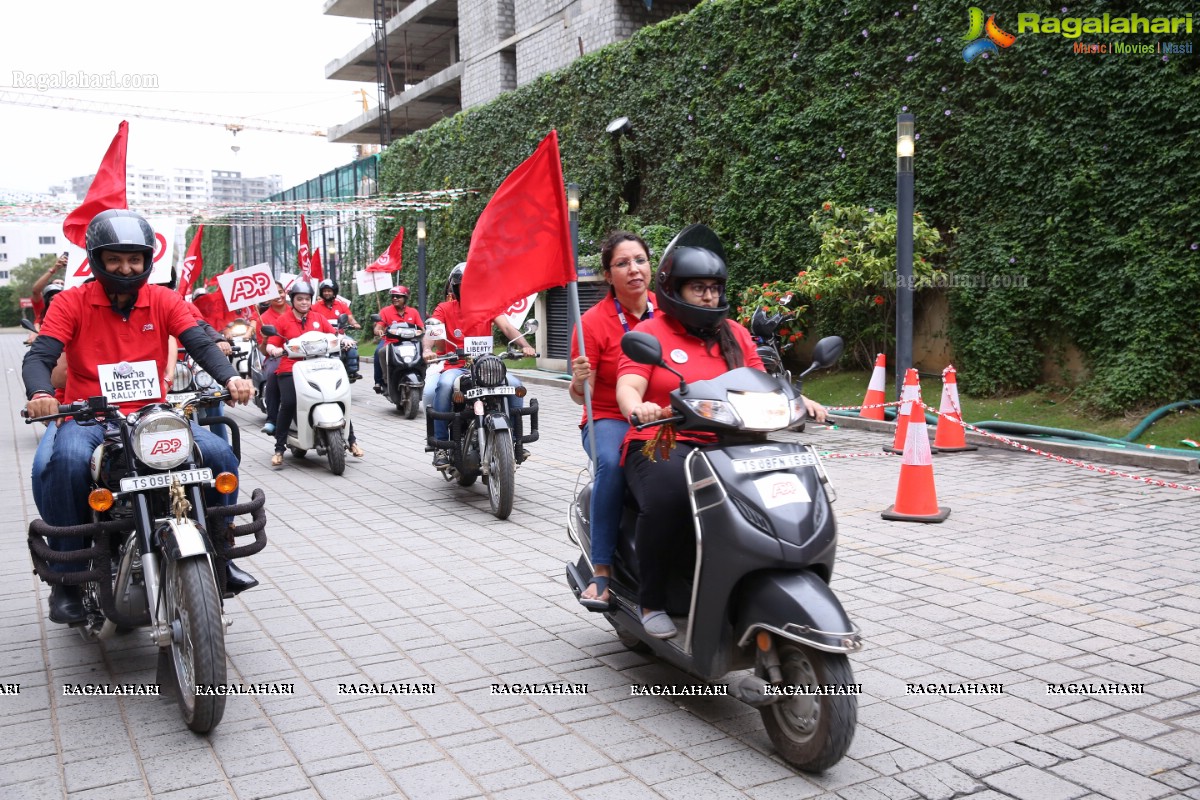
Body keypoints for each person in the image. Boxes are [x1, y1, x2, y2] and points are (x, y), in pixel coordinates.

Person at [22, 209, 258, 624]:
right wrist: (42, 392)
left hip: (154, 415)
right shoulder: (70, 301)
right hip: (89, 417)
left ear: (148, 260)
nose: (125, 268)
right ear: (96, 260)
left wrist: (230, 378)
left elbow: (200, 342)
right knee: (64, 463)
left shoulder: (164, 299)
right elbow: (40, 355)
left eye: (134, 259)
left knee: (220, 455)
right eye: (114, 259)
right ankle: (67, 580)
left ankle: (220, 561)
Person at [615, 237, 826, 639]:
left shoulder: (733, 333)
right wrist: (638, 407)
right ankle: (652, 600)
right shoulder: (652, 332)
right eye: (699, 288)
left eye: (714, 289)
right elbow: (629, 384)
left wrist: (801, 399)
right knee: (668, 496)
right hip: (664, 440)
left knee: (783, 494)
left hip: (734, 443)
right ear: (674, 290)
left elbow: (761, 380)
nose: (709, 297)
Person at [568, 231, 657, 610]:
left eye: (640, 260)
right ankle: (602, 568)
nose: (634, 269)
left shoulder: (670, 312)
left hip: (665, 416)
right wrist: (578, 381)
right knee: (612, 464)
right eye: (622, 263)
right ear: (608, 275)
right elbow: (577, 397)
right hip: (608, 418)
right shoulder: (590, 325)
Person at [423, 262, 536, 468]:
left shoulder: (489, 307)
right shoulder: (445, 308)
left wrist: (526, 345)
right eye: (464, 286)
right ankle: (441, 445)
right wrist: (427, 349)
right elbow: (432, 331)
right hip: (455, 366)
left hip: (486, 366)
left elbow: (508, 328)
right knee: (446, 385)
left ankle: (515, 440)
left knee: (514, 383)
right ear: (456, 289)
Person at [265, 281, 364, 466]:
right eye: (299, 299)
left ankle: (352, 440)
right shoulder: (283, 320)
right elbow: (272, 342)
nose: (304, 302)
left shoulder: (318, 317)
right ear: (292, 300)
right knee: (289, 402)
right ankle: (279, 448)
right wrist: (274, 350)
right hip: (291, 367)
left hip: (320, 365)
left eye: (307, 299)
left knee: (337, 397)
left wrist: (344, 340)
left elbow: (334, 334)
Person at [373, 285, 423, 392]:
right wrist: (379, 331)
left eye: (398, 296)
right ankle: (383, 380)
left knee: (423, 351)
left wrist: (421, 332)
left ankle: (423, 375)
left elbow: (421, 328)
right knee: (380, 352)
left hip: (411, 342)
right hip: (391, 342)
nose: (395, 298)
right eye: (393, 296)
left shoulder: (413, 312)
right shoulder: (385, 311)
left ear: (405, 298)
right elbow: (378, 327)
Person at [310, 278, 362, 380]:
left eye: (329, 291)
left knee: (352, 346)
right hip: (321, 337)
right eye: (324, 291)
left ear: (334, 292)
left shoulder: (341, 305)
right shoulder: (315, 307)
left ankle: (352, 372)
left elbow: (350, 318)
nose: (327, 293)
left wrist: (355, 324)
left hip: (340, 336)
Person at [257, 281, 288, 434]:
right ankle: (272, 418)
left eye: (280, 291)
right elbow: (264, 351)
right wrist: (264, 340)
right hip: (275, 357)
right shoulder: (263, 319)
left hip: (301, 354)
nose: (279, 296)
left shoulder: (296, 311)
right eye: (273, 293)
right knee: (273, 373)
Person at [24, 252, 68, 344]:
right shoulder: (42, 308)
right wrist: (54, 269)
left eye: (62, 284)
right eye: (52, 299)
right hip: (45, 347)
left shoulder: (71, 307)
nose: (58, 286)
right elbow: (36, 291)